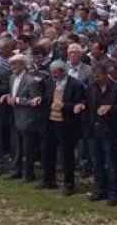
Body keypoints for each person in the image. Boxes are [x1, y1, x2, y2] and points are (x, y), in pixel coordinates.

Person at [84, 61, 117, 207]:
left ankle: (113, 192)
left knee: (110, 163)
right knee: (97, 162)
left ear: (106, 75)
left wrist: (111, 108)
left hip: (110, 131)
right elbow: (88, 105)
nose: (96, 79)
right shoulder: (92, 88)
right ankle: (100, 189)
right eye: (94, 76)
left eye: (98, 76)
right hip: (94, 130)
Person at [39, 59, 86, 195]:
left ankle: (68, 183)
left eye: (56, 73)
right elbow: (45, 98)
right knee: (47, 151)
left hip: (66, 124)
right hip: (50, 121)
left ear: (63, 72)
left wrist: (65, 106)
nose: (53, 75)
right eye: (51, 72)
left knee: (67, 154)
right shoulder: (49, 83)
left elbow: (80, 103)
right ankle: (48, 179)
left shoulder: (75, 85)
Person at [3, 53, 43, 183]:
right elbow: (12, 93)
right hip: (15, 116)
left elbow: (34, 100)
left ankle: (28, 173)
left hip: (27, 118)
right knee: (16, 146)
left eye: (15, 64)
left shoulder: (30, 80)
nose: (12, 67)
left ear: (22, 64)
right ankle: (16, 170)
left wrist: (18, 100)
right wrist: (8, 97)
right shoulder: (12, 78)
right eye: (11, 64)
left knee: (27, 148)